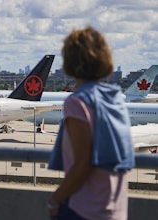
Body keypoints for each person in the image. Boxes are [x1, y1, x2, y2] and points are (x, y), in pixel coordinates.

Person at [47, 26, 135, 220]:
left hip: (83, 209)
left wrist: (55, 199)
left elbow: (83, 164)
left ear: (69, 61)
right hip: (116, 209)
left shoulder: (77, 102)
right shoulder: (116, 98)